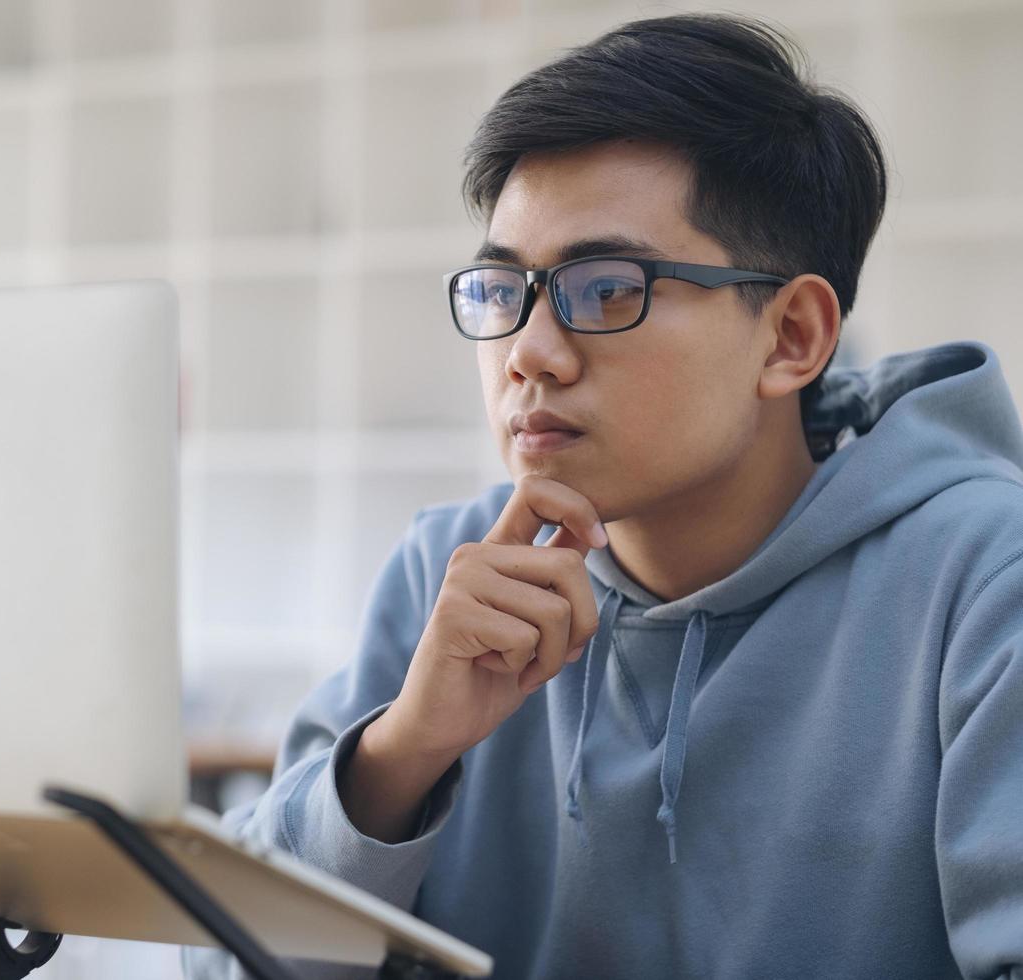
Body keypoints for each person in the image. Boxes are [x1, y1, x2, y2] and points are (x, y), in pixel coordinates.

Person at [182, 12, 1023, 979]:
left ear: (791, 336)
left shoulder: (982, 583)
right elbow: (218, 965)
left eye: (608, 288)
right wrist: (403, 756)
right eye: (504, 291)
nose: (529, 353)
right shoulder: (450, 573)